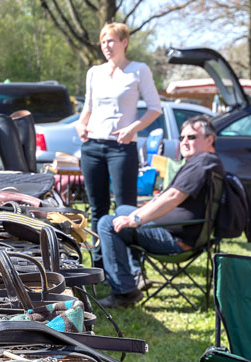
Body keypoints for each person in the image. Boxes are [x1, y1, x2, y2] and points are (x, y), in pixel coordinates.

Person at [96, 116, 224, 308]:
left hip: (177, 240)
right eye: (182, 138)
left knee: (107, 223)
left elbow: (173, 196)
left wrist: (137, 219)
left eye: (191, 137)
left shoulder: (203, 162)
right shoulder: (204, 162)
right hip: (177, 232)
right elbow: (164, 197)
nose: (184, 142)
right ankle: (134, 274)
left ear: (209, 139)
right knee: (122, 210)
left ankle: (124, 292)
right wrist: (134, 215)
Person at [75, 23, 163, 268]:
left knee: (125, 207)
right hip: (92, 146)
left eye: (111, 41)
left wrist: (133, 128)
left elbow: (155, 108)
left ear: (125, 42)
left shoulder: (138, 70)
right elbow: (88, 108)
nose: (106, 46)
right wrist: (80, 125)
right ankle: (99, 265)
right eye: (103, 41)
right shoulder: (94, 72)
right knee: (97, 208)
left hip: (121, 147)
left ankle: (133, 265)